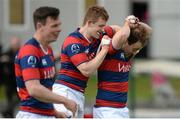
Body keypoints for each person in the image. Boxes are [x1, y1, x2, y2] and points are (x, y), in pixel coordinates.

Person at [52, 5, 134, 118]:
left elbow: (115, 29)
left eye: (103, 26)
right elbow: (86, 70)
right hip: (66, 91)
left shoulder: (97, 35)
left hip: (79, 93)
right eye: (100, 26)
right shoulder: (73, 41)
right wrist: (105, 49)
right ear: (90, 23)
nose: (102, 30)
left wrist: (128, 35)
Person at [15, 6, 77, 118]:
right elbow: (34, 89)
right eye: (54, 26)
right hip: (32, 114)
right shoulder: (30, 51)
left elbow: (46, 88)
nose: (59, 29)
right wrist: (65, 101)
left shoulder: (48, 50)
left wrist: (54, 112)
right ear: (40, 26)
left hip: (45, 114)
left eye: (59, 24)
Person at [93, 19, 152, 118]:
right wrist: (127, 23)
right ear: (126, 42)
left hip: (122, 109)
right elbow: (122, 34)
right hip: (107, 109)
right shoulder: (113, 49)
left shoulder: (128, 53)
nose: (135, 52)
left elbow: (149, 30)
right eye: (135, 49)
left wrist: (137, 25)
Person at [0, 37, 21, 117]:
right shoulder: (7, 52)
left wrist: (10, 60)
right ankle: (9, 113)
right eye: (13, 44)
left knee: (20, 99)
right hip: (9, 81)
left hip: (18, 81)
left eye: (16, 44)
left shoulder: (21, 52)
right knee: (9, 99)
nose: (14, 46)